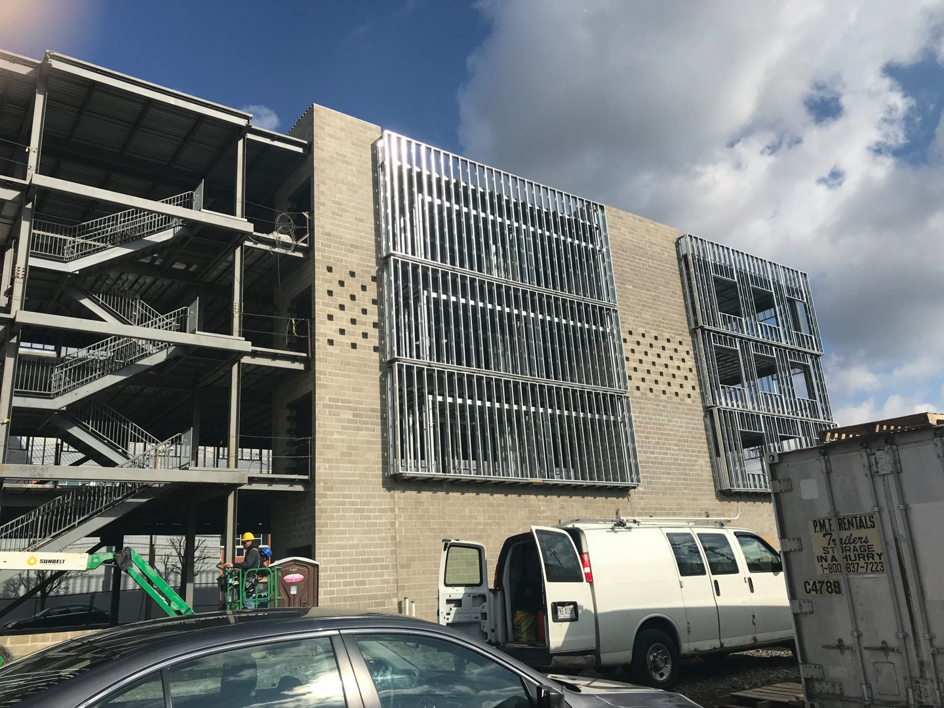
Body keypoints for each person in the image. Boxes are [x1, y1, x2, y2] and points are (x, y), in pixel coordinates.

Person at [223, 532, 262, 608]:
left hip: (249, 578)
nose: (243, 545)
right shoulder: (252, 551)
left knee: (246, 598)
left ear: (250, 541)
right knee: (237, 585)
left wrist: (233, 565)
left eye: (244, 542)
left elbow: (247, 564)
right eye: (242, 543)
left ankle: (250, 614)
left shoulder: (253, 551)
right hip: (247, 577)